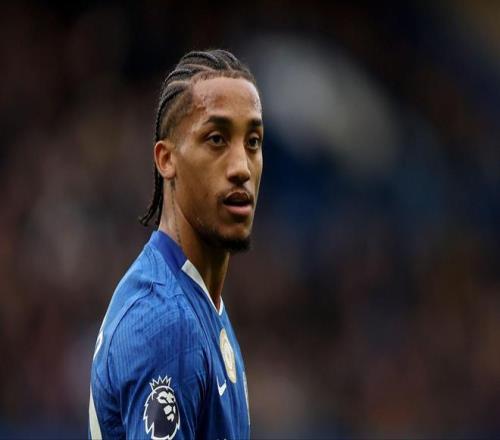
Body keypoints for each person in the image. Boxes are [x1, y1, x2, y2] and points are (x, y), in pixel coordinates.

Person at [89, 49, 263, 440]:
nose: (241, 167)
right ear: (166, 159)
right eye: (216, 139)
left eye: (253, 142)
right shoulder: (166, 323)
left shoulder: (199, 304)